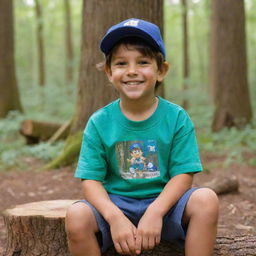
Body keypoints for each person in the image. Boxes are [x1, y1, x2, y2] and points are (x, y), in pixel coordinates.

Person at [65, 18, 219, 256]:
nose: (132, 71)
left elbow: (183, 174)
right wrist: (114, 218)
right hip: (116, 205)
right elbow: (90, 181)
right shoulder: (99, 121)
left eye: (143, 62)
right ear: (109, 72)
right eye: (121, 63)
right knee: (76, 216)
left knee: (206, 200)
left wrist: (156, 211)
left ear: (161, 71)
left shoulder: (176, 117)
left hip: (166, 205)